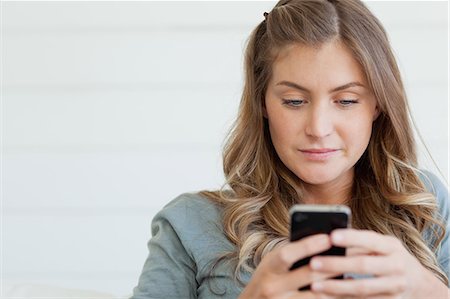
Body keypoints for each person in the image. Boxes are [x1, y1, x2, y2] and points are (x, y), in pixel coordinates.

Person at [130, 0, 450, 298]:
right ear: (262, 102)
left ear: (377, 105)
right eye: (294, 101)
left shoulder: (424, 205)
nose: (318, 128)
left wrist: (430, 289)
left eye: (347, 101)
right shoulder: (189, 224)